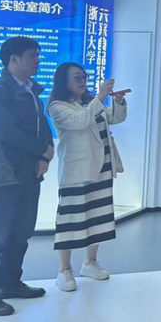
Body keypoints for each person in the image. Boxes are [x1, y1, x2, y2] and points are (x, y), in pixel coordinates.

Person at [0, 37, 54, 317]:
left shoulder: (32, 92)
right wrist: (42, 150)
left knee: (21, 233)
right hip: (3, 174)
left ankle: (11, 283)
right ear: (13, 59)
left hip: (29, 174)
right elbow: (6, 131)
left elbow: (43, 128)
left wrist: (45, 155)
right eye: (32, 55)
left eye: (37, 54)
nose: (37, 60)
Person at [47, 63, 127, 292]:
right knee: (70, 219)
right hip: (76, 170)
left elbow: (114, 118)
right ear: (64, 81)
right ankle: (64, 269)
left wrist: (118, 102)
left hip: (102, 165)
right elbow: (79, 121)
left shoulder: (90, 102)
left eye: (84, 77)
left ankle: (90, 262)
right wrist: (100, 97)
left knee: (98, 216)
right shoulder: (57, 106)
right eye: (77, 78)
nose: (82, 81)